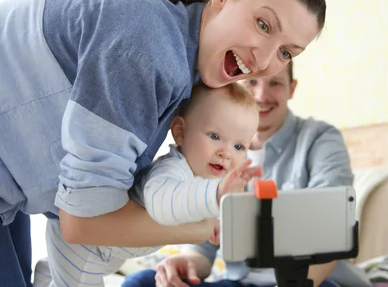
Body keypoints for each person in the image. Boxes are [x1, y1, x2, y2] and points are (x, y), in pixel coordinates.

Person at [0, 0, 326, 287]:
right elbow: (82, 222)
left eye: (287, 52)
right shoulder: (149, 48)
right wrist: (207, 225)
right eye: (263, 24)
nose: (263, 59)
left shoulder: (181, 64)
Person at [122, 61, 357, 287]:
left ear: (291, 89)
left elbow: (333, 225)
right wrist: (186, 263)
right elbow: (206, 245)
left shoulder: (319, 138)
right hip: (240, 282)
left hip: (308, 281)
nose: (261, 96)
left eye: (275, 83)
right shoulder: (214, 155)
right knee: (140, 282)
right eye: (252, 82)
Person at [34, 82, 263, 287]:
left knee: (66, 275)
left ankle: (46, 275)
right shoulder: (173, 170)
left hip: (111, 251)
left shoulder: (211, 181)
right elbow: (163, 204)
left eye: (239, 147)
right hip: (87, 244)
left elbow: (207, 215)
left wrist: (222, 223)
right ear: (180, 132)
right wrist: (215, 196)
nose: (226, 153)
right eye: (215, 136)